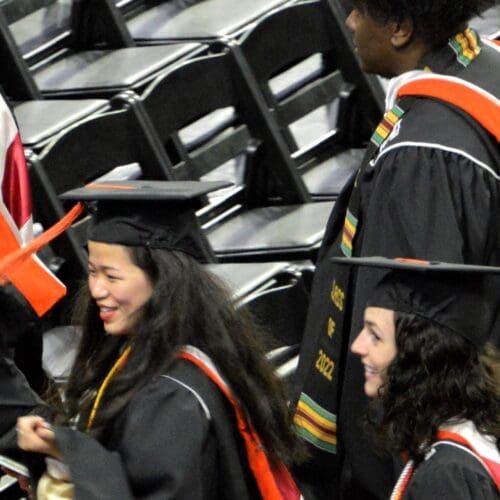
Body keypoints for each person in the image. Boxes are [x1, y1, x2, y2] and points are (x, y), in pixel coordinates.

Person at [292, 0, 500, 498]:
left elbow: (410, 331)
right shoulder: (480, 67)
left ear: (401, 28)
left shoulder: (425, 153)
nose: (351, 24)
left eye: (361, 11)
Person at [0, 180, 305, 499]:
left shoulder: (170, 398)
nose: (97, 290)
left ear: (162, 280)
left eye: (112, 276)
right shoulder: (185, 351)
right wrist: (57, 448)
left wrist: (70, 454)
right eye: (92, 271)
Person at [344, 256, 500, 498]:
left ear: (417, 357)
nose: (357, 346)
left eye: (375, 335)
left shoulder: (446, 476)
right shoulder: (459, 449)